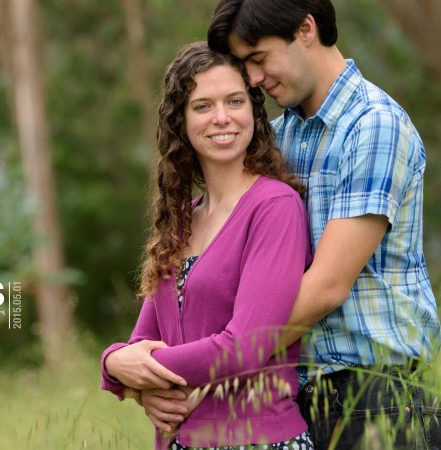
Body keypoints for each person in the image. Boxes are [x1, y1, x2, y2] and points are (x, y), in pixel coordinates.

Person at [203, 1, 441, 448]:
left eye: (258, 58)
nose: (253, 78)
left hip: (378, 398)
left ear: (306, 30)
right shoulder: (278, 138)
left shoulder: (374, 125)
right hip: (294, 396)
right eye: (245, 65)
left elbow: (328, 286)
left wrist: (209, 365)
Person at [100, 42, 315, 449]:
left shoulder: (274, 206)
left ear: (254, 110)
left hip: (257, 439)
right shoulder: (181, 220)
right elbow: (142, 339)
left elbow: (246, 346)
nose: (222, 118)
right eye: (202, 106)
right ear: (180, 121)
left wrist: (130, 369)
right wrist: (117, 361)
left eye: (235, 101)